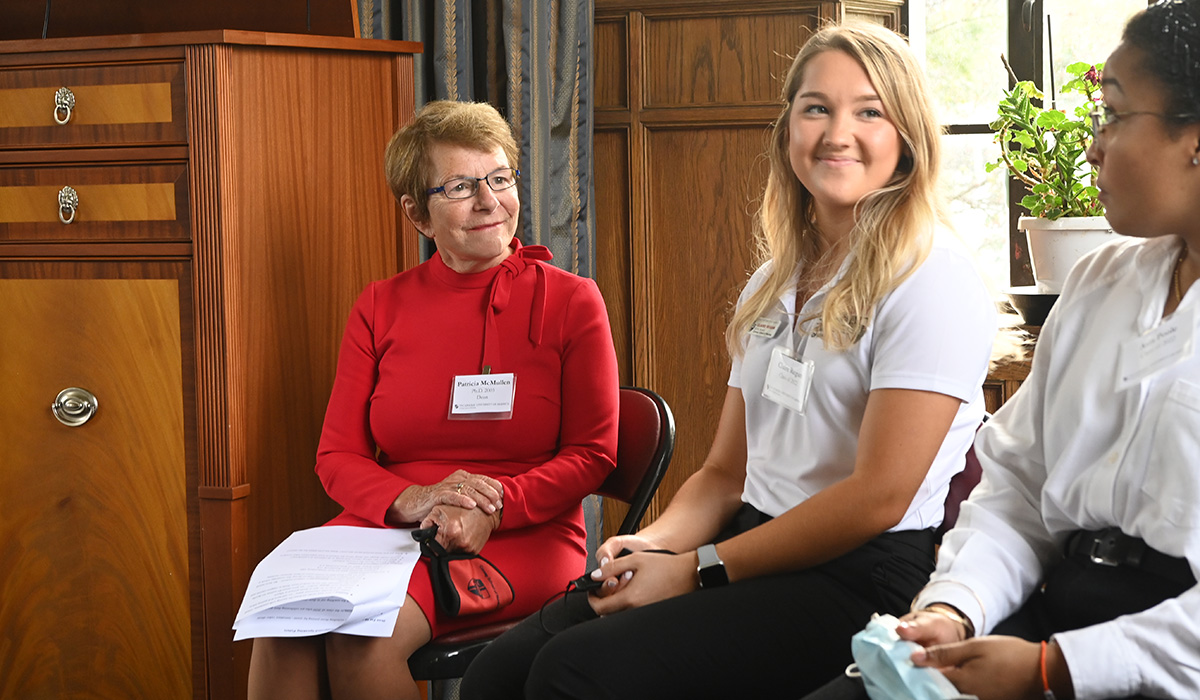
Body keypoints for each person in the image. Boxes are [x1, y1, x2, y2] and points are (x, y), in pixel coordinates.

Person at [459, 21, 997, 700]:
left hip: (861, 573)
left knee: (574, 673)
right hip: (748, 544)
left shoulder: (931, 278)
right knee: (497, 675)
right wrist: (654, 546)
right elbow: (724, 473)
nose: (838, 132)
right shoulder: (773, 281)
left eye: (869, 111)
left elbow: (877, 498)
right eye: (816, 108)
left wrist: (696, 570)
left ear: (908, 139)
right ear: (787, 130)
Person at [803, 2, 1200, 699]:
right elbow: (1016, 486)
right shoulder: (1099, 282)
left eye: (1112, 113)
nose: (1091, 145)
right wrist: (956, 607)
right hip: (1051, 612)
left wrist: (1057, 670)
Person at [245, 100, 620, 700]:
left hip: (522, 531)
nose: (488, 200)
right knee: (285, 621)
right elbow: (336, 456)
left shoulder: (574, 301)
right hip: (390, 525)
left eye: (499, 178)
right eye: (460, 186)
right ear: (418, 215)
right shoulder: (380, 305)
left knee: (360, 637)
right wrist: (412, 499)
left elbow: (594, 454)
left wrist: (495, 506)